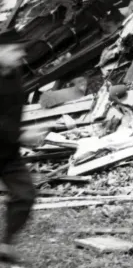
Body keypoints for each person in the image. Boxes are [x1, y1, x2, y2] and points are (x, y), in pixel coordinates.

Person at [0, 39, 37, 264]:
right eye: (14, 49)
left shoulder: (14, 75)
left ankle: (5, 246)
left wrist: (18, 134)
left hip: (8, 153)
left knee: (25, 195)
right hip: (9, 141)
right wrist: (20, 134)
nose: (21, 54)